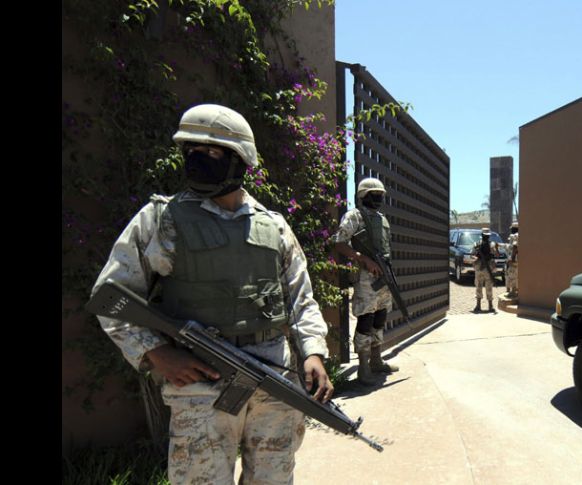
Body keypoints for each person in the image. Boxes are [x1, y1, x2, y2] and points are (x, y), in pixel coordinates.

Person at [91, 104, 334, 485]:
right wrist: (156, 353)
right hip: (199, 383)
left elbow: (302, 299)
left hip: (273, 377)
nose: (198, 161)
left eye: (213, 153)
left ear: (241, 160)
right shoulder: (161, 220)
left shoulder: (275, 227)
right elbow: (111, 299)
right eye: (191, 153)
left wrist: (314, 352)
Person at [331, 178, 400, 386]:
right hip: (365, 278)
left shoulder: (382, 219)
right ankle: (363, 366)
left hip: (383, 275)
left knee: (380, 316)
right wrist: (363, 258)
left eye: (380, 195)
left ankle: (377, 359)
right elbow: (339, 243)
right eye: (374, 194)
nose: (378, 198)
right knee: (365, 320)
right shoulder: (354, 216)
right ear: (363, 196)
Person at [472, 228, 500, 313]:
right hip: (480, 268)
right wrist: (477, 258)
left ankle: (490, 306)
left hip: (488, 268)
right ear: (482, 235)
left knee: (489, 287)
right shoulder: (477, 244)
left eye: (487, 236)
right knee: (478, 286)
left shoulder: (492, 245)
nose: (486, 237)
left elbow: (497, 255)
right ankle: (478, 305)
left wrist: (496, 248)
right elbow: (472, 255)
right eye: (485, 236)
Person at [505, 222, 519, 297]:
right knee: (516, 275)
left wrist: (512, 259)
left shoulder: (515, 236)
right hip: (518, 260)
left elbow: (514, 246)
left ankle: (513, 292)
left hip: (514, 260)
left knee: (512, 275)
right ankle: (515, 291)